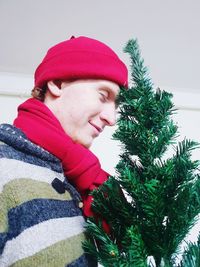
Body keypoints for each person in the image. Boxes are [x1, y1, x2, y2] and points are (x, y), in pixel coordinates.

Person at [0, 36, 128, 266]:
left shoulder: (77, 180)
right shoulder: (4, 164)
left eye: (116, 106)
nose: (112, 118)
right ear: (58, 84)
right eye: (103, 96)